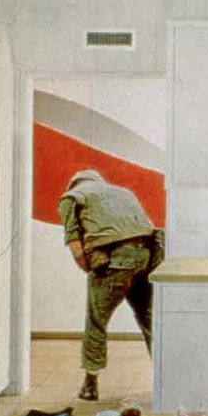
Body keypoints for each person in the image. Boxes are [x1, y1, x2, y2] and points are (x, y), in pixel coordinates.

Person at [58, 169, 164, 400]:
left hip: (113, 262)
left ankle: (90, 385)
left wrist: (93, 270)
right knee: (149, 319)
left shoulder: (72, 197)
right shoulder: (123, 192)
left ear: (74, 184)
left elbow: (76, 247)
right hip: (146, 257)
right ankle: (167, 378)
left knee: (96, 321)